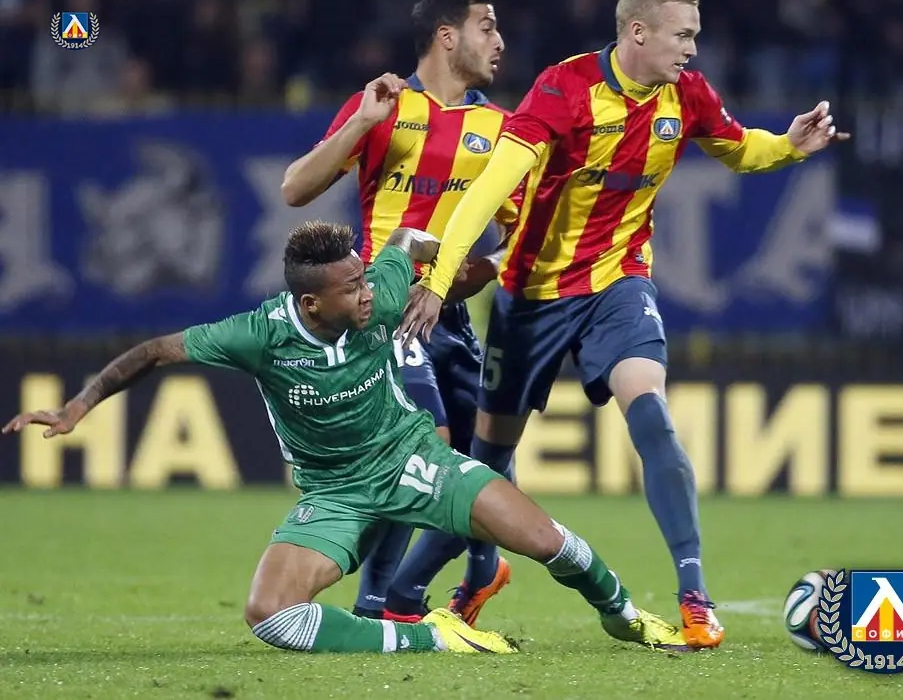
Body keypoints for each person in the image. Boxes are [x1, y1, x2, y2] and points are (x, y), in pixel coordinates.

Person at [398, 0, 850, 650]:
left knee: (651, 413)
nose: (692, 49)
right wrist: (436, 280)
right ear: (637, 32)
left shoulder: (687, 94)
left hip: (619, 281)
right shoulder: (564, 88)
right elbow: (489, 188)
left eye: (695, 35)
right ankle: (455, 581)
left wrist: (786, 144)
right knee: (487, 459)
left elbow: (736, 148)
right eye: (682, 35)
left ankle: (695, 596)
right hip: (532, 294)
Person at [3, 221, 687, 655]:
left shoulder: (380, 290)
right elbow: (155, 350)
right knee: (270, 615)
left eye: (364, 278)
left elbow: (407, 242)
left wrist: (443, 264)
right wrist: (78, 405)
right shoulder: (259, 334)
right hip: (334, 492)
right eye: (351, 287)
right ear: (310, 303)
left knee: (546, 540)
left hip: (412, 459)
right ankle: (431, 640)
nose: (367, 295)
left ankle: (625, 614)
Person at [281, 0, 519, 626]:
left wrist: (484, 268)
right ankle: (383, 603)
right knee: (422, 445)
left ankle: (478, 572)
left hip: (451, 315)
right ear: (447, 35)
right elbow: (295, 188)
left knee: (487, 462)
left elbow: (526, 237)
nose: (499, 41)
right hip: (385, 309)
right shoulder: (386, 106)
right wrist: (361, 122)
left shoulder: (502, 130)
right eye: (487, 27)